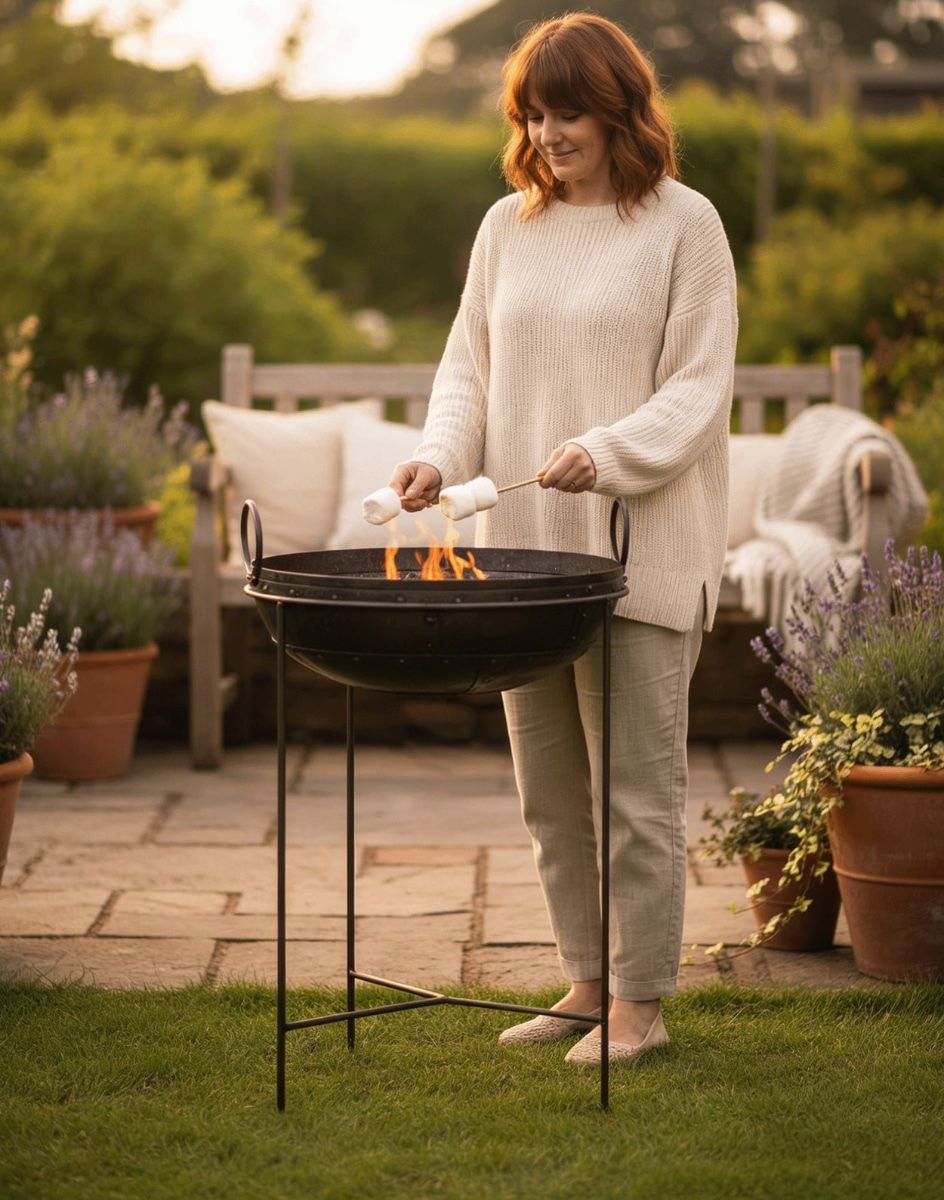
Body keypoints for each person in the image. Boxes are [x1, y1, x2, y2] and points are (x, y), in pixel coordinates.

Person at [389, 11, 737, 1066]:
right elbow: (467, 372)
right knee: (552, 796)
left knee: (637, 796)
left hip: (636, 552)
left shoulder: (684, 225)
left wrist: (607, 448)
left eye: (567, 110)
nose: (547, 132)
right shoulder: (508, 228)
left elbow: (696, 390)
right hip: (524, 559)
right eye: (532, 114)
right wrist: (437, 461)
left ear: (619, 108)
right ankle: (585, 985)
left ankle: (642, 1004)